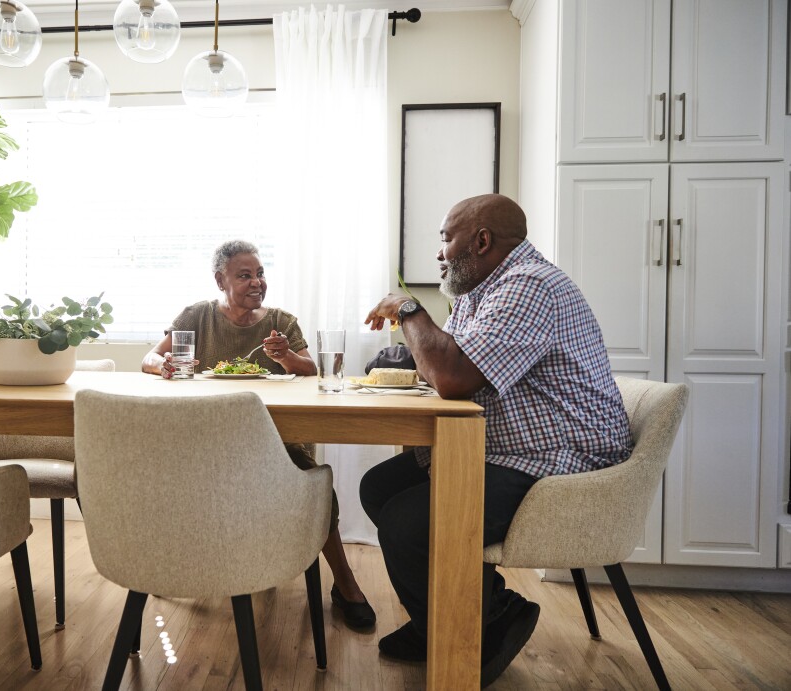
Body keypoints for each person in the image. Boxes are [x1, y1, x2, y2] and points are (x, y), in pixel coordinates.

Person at [361, 194, 632, 685]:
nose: (439, 253)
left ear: (482, 241)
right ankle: (462, 617)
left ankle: (479, 626)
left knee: (406, 522)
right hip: (509, 450)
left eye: (446, 239)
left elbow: (453, 376)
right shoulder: (482, 292)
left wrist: (407, 308)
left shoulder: (529, 286)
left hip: (561, 461)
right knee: (379, 488)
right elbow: (451, 362)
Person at [142, 240, 377, 630]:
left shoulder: (281, 322)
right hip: (206, 442)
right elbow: (151, 357)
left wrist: (285, 357)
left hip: (275, 442)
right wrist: (162, 364)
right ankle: (170, 567)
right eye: (245, 275)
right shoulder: (197, 316)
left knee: (309, 480)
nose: (257, 283)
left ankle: (346, 584)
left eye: (260, 274)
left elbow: (311, 373)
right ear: (221, 280)